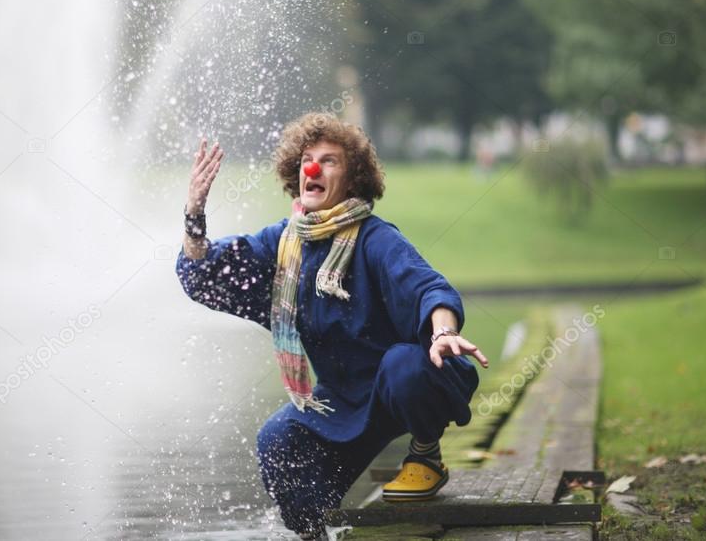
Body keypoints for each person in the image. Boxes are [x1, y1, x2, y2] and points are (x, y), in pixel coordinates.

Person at [175, 113, 488, 540]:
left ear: (353, 179)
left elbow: (429, 289)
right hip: (339, 405)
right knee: (276, 442)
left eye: (330, 161)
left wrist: (443, 333)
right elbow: (206, 275)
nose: (313, 169)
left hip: (407, 383)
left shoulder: (377, 239)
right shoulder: (283, 242)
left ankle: (426, 454)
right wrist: (194, 215)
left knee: (402, 365)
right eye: (307, 159)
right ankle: (313, 532)